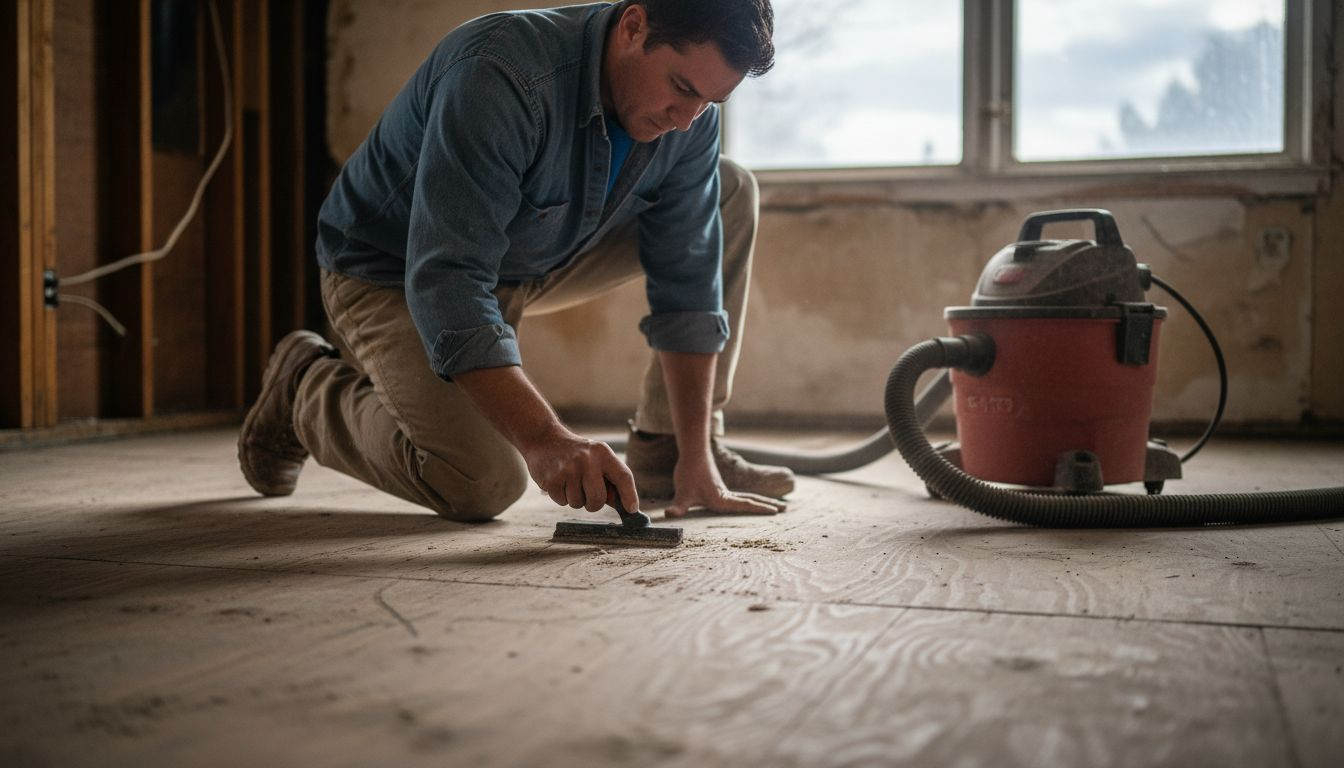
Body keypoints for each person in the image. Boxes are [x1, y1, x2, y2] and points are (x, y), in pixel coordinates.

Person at [237, 0, 792, 522]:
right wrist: (547, 439)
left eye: (710, 103)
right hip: (391, 267)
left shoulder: (689, 121)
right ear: (633, 27)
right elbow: (448, 280)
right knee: (481, 483)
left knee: (729, 189)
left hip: (537, 254)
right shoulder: (498, 73)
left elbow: (689, 283)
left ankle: (666, 450)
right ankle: (304, 391)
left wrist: (695, 457)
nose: (687, 120)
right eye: (681, 88)